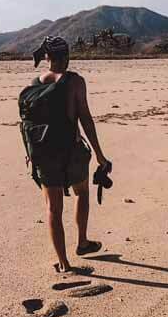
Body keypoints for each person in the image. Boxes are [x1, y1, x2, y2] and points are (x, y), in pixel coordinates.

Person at [25, 36, 110, 274]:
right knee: (82, 192)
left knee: (53, 209)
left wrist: (31, 155)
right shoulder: (74, 82)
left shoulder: (35, 84)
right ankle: (82, 242)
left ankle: (63, 263)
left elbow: (29, 124)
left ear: (47, 57)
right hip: (71, 152)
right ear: (67, 55)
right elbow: (85, 119)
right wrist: (100, 155)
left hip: (43, 154)